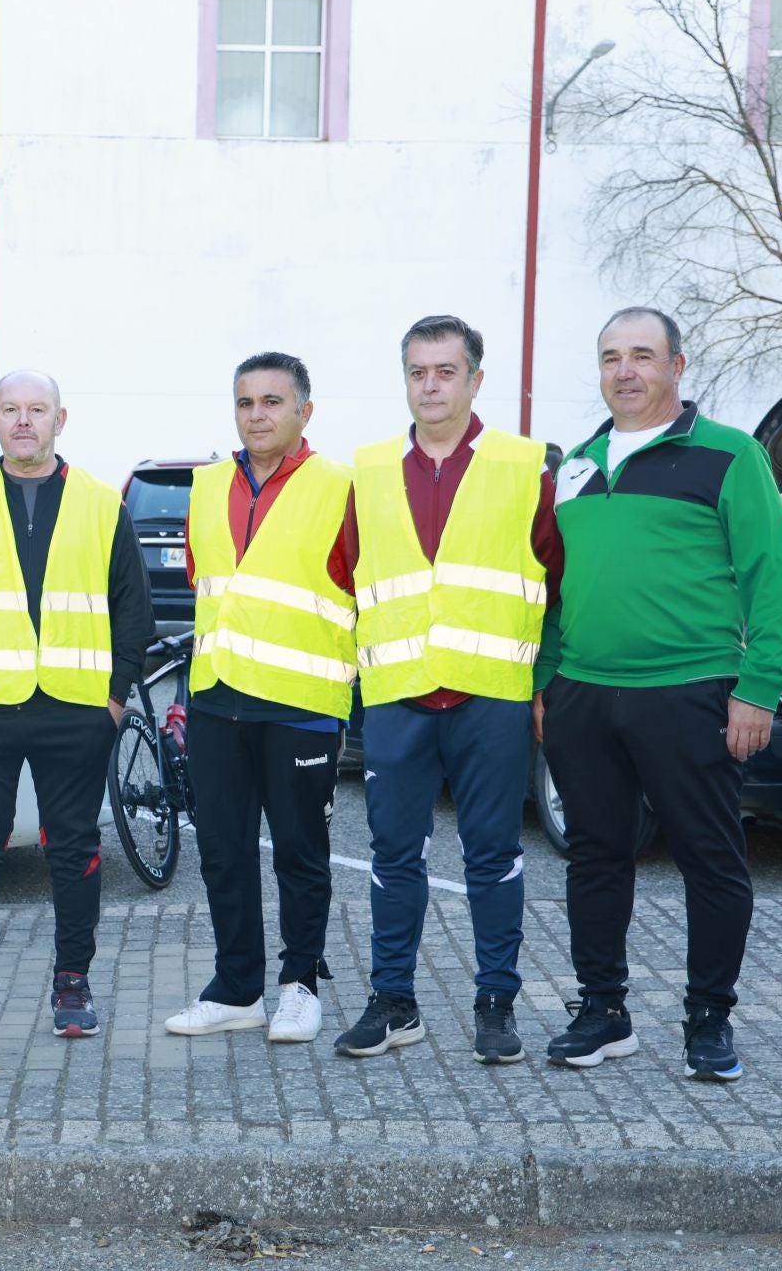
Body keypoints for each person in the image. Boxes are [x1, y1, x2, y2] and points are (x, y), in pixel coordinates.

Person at [536, 307, 782, 1082]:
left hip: (690, 693)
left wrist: (758, 689)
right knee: (594, 857)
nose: (626, 370)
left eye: (643, 355)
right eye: (612, 355)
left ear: (677, 368)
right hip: (585, 695)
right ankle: (602, 1011)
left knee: (710, 860)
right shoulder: (576, 467)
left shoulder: (727, 455)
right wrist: (545, 678)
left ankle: (708, 1020)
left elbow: (775, 581)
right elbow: (556, 587)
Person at [332, 316, 564, 1065]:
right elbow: (345, 577)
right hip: (399, 693)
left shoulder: (525, 466)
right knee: (393, 855)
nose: (430, 385)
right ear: (404, 379)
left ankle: (496, 1000)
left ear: (474, 379)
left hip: (489, 693)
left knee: (492, 854)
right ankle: (393, 1001)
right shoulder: (366, 471)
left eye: (445, 371)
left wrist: (544, 682)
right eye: (417, 372)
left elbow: (555, 581)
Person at [0, 369, 152, 1039]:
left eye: (36, 409)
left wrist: (115, 697)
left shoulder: (104, 503)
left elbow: (133, 608)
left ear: (60, 419)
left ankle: (72, 987)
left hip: (75, 711)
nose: (24, 421)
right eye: (11, 409)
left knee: (73, 851)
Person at [160, 353, 353, 1045]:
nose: (258, 415)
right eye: (246, 403)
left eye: (273, 401)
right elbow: (203, 579)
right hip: (217, 697)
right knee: (222, 851)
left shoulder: (341, 487)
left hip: (300, 703)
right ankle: (236, 988)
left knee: (299, 854)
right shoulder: (207, 484)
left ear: (305, 410)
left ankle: (299, 986)